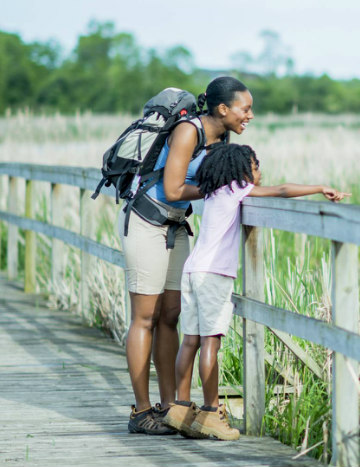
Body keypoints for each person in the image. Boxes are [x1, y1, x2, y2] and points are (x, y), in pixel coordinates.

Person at [163, 143, 349, 440]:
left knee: (190, 342)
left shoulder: (213, 189)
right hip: (214, 274)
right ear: (240, 170)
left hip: (193, 270)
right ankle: (211, 412)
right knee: (211, 344)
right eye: (255, 166)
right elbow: (282, 190)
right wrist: (319, 187)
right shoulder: (237, 187)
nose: (259, 173)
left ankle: (181, 409)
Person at [119, 76, 255, 435]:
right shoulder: (187, 131)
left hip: (176, 224)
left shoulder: (221, 138)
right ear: (223, 109)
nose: (250, 116)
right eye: (246, 109)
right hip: (147, 222)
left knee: (171, 315)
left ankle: (170, 408)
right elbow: (173, 187)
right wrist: (222, 191)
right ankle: (141, 411)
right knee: (145, 317)